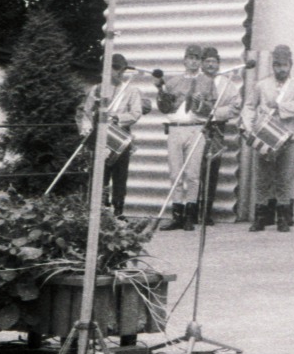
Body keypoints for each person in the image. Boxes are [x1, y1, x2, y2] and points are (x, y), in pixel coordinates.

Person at [244, 44, 294, 233]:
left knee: (285, 177)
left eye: (284, 65)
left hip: (288, 136)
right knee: (263, 177)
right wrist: (249, 126)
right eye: (277, 65)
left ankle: (283, 218)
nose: (280, 69)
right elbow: (249, 106)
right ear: (272, 66)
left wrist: (280, 107)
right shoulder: (262, 84)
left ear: (290, 65)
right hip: (265, 135)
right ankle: (260, 218)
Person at [76, 53, 152, 216]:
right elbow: (86, 112)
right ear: (107, 68)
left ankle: (118, 211)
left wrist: (118, 117)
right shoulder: (97, 89)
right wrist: (86, 129)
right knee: (100, 173)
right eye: (116, 68)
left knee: (120, 175)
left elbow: (136, 112)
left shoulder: (131, 90)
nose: (119, 72)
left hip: (120, 136)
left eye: (122, 69)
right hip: (100, 137)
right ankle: (100, 210)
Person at [157, 45, 206, 230]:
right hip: (175, 129)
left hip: (196, 128)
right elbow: (164, 107)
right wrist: (160, 89)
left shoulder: (207, 82)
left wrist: (201, 102)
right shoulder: (173, 81)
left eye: (197, 58)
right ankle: (176, 214)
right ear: (184, 60)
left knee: (193, 174)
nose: (193, 61)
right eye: (190, 57)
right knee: (175, 173)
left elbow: (211, 108)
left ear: (200, 62)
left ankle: (190, 215)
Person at [194, 47, 244, 226]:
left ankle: (206, 212)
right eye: (207, 61)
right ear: (201, 64)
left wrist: (215, 113)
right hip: (195, 127)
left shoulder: (227, 83)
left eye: (214, 61)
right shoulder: (194, 80)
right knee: (193, 170)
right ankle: (190, 212)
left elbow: (236, 106)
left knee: (211, 170)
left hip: (216, 129)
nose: (210, 65)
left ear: (218, 64)